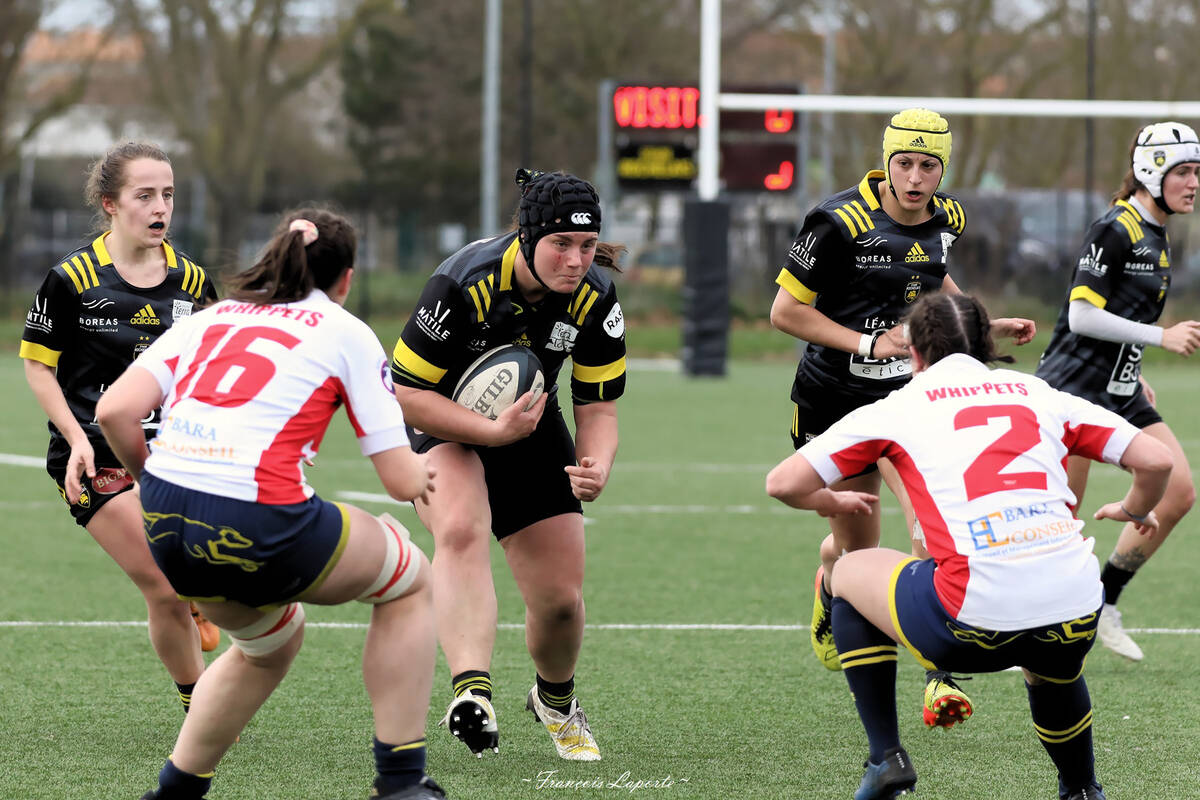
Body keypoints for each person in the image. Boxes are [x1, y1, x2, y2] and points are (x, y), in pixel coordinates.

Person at [766, 291, 1172, 800]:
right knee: (1052, 661)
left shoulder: (898, 407)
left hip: (968, 624)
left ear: (913, 352)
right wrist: (1134, 508)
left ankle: (885, 757)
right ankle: (1081, 789)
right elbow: (1156, 460)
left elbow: (783, 483)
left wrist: (831, 499)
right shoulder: (1040, 393)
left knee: (848, 571)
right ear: (986, 345)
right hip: (1076, 609)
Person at [95, 209, 445, 800]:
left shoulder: (210, 317)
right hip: (259, 515)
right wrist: (424, 473)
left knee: (267, 646)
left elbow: (113, 411)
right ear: (346, 279)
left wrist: (153, 483)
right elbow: (398, 478)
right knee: (408, 581)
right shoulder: (345, 329)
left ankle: (174, 792)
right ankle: (402, 782)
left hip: (166, 521)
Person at [769, 108, 1036, 723]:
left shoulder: (949, 218)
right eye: (905, 163)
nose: (916, 178)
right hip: (833, 400)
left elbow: (932, 275)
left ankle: (940, 677)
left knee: (928, 528)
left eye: (929, 166)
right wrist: (868, 343)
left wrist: (978, 324)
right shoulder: (837, 222)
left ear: (944, 169)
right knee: (856, 549)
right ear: (886, 162)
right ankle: (829, 580)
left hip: (905, 403)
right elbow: (785, 312)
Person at [391, 169, 626, 761]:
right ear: (527, 236)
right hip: (442, 420)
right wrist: (491, 432)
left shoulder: (595, 297)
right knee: (461, 528)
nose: (576, 260)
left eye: (587, 245)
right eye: (561, 244)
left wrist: (596, 463)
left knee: (561, 602)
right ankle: (473, 693)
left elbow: (598, 405)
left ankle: (555, 700)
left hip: (529, 422)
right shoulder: (462, 284)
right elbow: (408, 394)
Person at [19, 141, 219, 716]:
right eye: (145, 195)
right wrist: (74, 439)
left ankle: (198, 597)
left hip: (172, 457)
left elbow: (213, 370)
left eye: (169, 195)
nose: (160, 208)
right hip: (94, 457)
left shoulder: (192, 282)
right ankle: (200, 704)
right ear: (110, 203)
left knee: (204, 573)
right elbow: (38, 366)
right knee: (164, 584)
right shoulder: (72, 278)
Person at [1035, 121, 1200, 662]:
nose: (1194, 183)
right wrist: (1160, 337)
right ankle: (1027, 626)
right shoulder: (1115, 228)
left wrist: (1134, 363)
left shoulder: (1156, 230)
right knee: (1060, 521)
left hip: (1120, 386)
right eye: (1184, 172)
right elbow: (1082, 316)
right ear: (1152, 172)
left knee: (1178, 492)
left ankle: (1104, 602)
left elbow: (1121, 316)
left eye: (1197, 172)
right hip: (1073, 390)